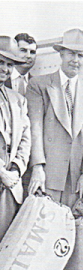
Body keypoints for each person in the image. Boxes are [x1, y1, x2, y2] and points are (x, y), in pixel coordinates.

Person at [26, 28, 83, 208]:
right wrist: (37, 167)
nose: (75, 60)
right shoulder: (39, 85)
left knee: (71, 230)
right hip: (48, 174)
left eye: (81, 55)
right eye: (71, 54)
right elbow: (34, 129)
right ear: (61, 53)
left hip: (75, 179)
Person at [0, 36, 31, 241]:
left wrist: (16, 169)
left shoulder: (17, 100)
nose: (5, 69)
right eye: (0, 62)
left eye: (9, 64)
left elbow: (25, 140)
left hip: (10, 189)